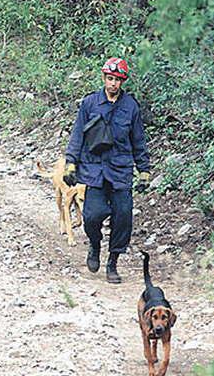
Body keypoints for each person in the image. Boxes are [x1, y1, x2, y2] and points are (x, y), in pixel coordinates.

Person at [63, 57, 151, 284]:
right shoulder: (90, 103)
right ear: (104, 79)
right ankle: (94, 245)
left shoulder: (130, 106)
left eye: (117, 80)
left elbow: (138, 140)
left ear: (123, 82)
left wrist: (144, 170)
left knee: (123, 218)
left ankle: (113, 263)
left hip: (121, 171)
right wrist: (71, 163)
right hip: (95, 169)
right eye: (110, 79)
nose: (113, 84)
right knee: (92, 215)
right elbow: (78, 135)